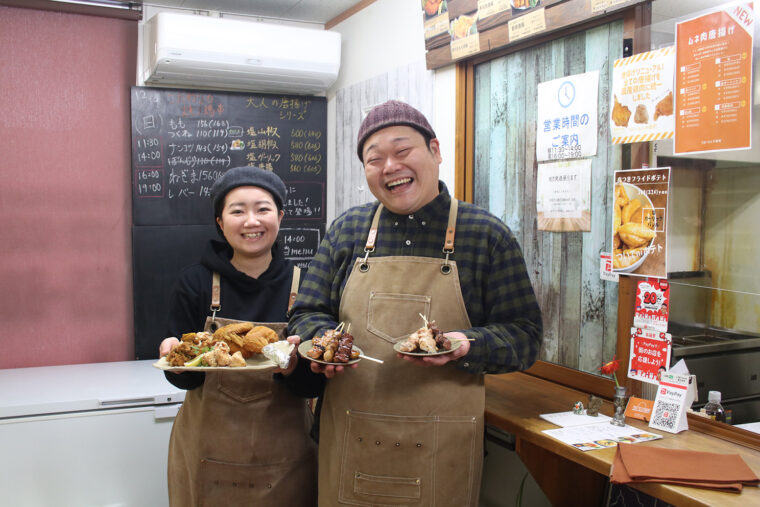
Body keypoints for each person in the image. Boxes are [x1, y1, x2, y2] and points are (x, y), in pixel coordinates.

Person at [288, 100, 543, 506]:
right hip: (353, 438)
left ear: (436, 151)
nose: (390, 166)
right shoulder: (348, 231)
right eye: (375, 159)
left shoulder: (486, 235)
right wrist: (320, 343)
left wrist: (466, 344)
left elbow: (525, 336)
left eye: (402, 151)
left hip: (442, 450)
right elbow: (305, 313)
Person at [158, 166, 321, 507]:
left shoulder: (306, 285)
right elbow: (186, 379)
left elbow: (315, 384)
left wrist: (294, 368)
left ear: (280, 215)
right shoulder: (195, 283)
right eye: (237, 211)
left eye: (262, 209)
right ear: (220, 221)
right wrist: (176, 365)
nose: (251, 221)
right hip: (208, 454)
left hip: (286, 457)